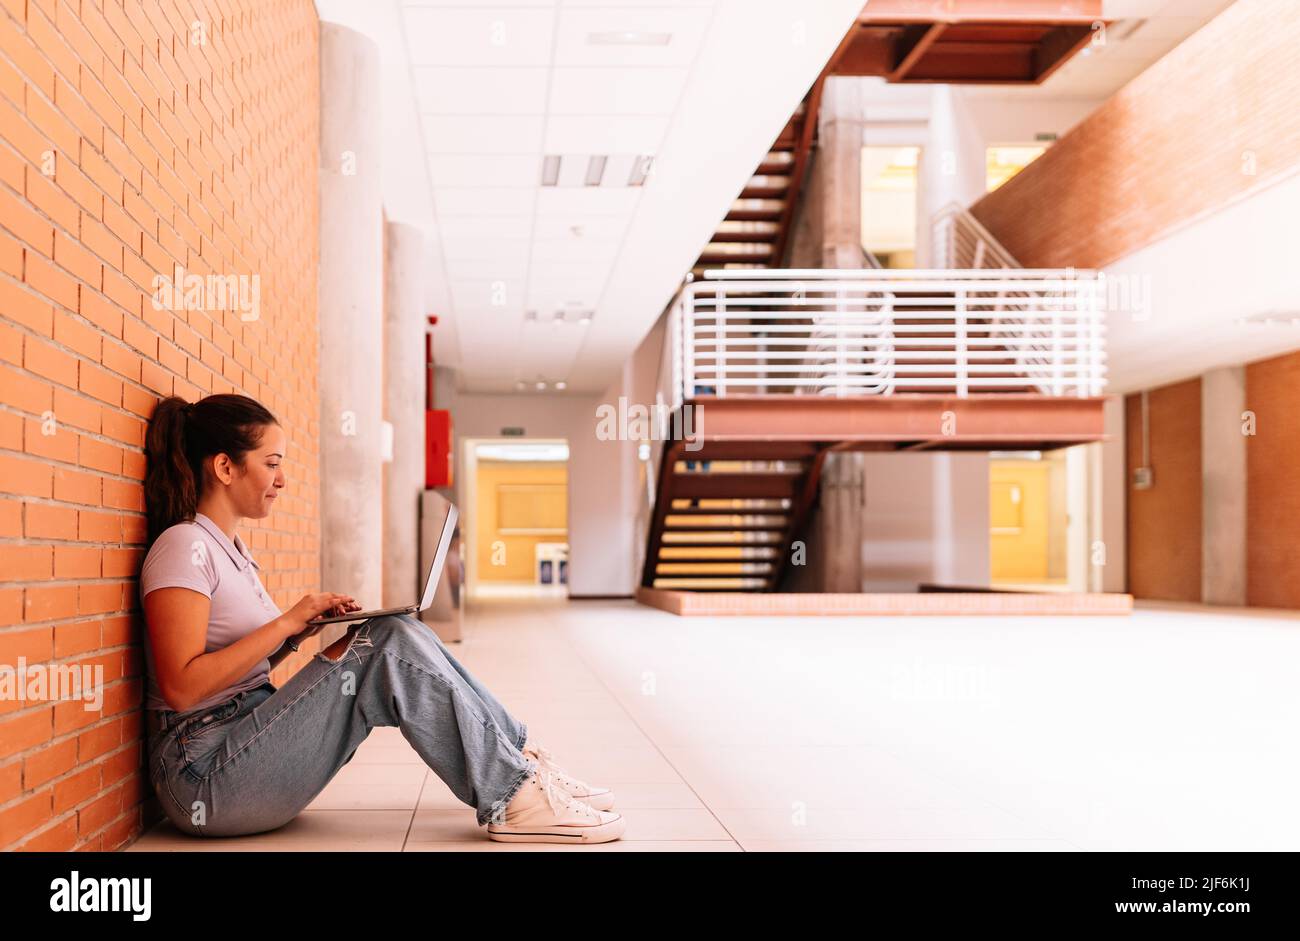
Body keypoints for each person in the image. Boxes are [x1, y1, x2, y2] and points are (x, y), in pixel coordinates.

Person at [140, 392, 623, 843]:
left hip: (244, 734)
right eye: (271, 464)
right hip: (201, 775)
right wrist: (287, 623)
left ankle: (521, 764)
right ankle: (514, 799)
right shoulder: (185, 546)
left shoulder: (231, 550)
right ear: (225, 467)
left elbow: (236, 660)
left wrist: (298, 633)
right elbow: (181, 686)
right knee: (385, 645)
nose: (282, 479)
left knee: (395, 629)